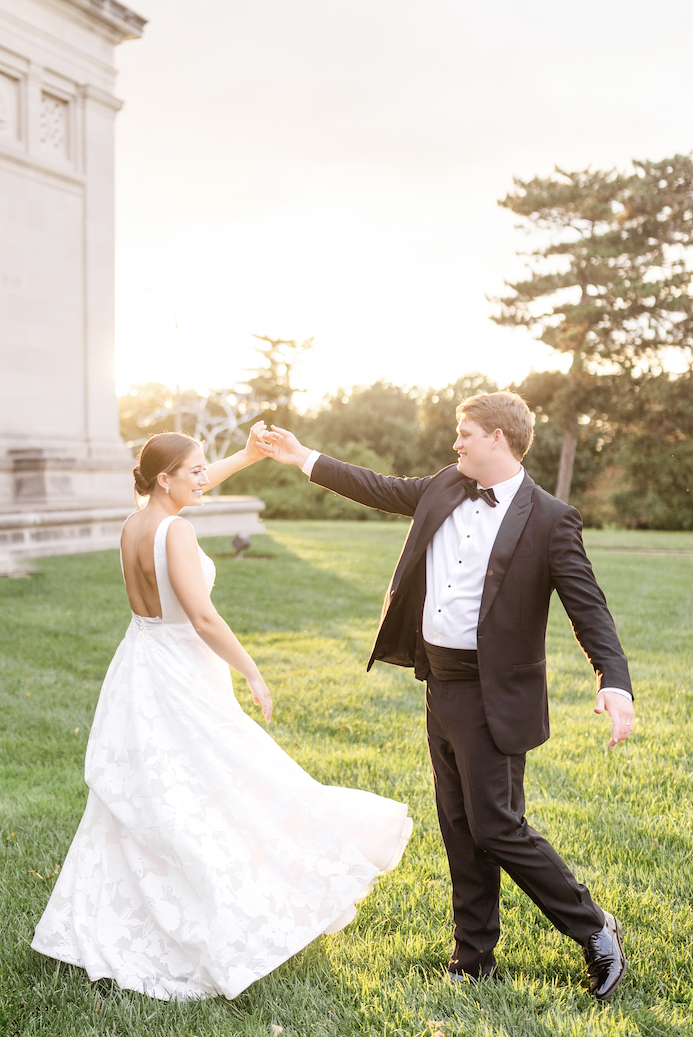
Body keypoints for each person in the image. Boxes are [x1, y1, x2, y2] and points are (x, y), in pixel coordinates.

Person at [258, 391, 633, 1000]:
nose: (455, 443)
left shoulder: (550, 518)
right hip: (440, 684)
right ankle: (474, 954)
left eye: (465, 433)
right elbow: (374, 486)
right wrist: (304, 456)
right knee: (460, 826)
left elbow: (589, 610)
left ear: (499, 440)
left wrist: (612, 682)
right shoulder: (441, 486)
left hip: (496, 695)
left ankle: (594, 929)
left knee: (498, 827)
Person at [31, 426, 413, 1001]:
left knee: (157, 792)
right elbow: (204, 619)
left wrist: (249, 456)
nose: (205, 478)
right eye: (195, 471)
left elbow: (192, 484)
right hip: (183, 671)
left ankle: (116, 922)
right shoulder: (176, 531)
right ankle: (231, 910)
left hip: (142, 664)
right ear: (166, 479)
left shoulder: (135, 524)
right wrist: (251, 670)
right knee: (226, 782)